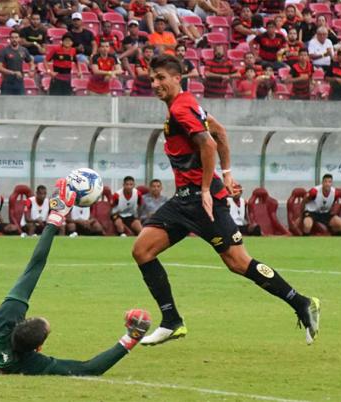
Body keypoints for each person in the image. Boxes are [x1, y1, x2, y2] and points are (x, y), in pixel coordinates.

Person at [132, 54, 320, 347]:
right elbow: (219, 132)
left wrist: (208, 188)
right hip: (184, 201)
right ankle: (171, 321)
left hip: (201, 201)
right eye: (152, 79)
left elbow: (208, 142)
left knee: (238, 262)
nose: (155, 84)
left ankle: (302, 302)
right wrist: (228, 176)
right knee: (142, 250)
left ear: (176, 78)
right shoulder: (187, 104)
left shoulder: (182, 109)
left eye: (161, 78)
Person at [0, 180, 152, 375]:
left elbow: (35, 265)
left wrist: (55, 218)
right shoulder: (26, 363)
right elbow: (89, 368)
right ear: (37, 349)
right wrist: (131, 338)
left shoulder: (4, 321)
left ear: (20, 321)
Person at [0, 31, 34, 95]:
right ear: (9, 39)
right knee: (4, 103)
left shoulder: (24, 50)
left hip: (19, 82)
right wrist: (13, 73)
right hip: (7, 82)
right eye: (12, 38)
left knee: (21, 103)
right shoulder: (4, 51)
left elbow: (31, 63)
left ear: (19, 39)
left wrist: (32, 70)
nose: (14, 39)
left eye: (16, 37)